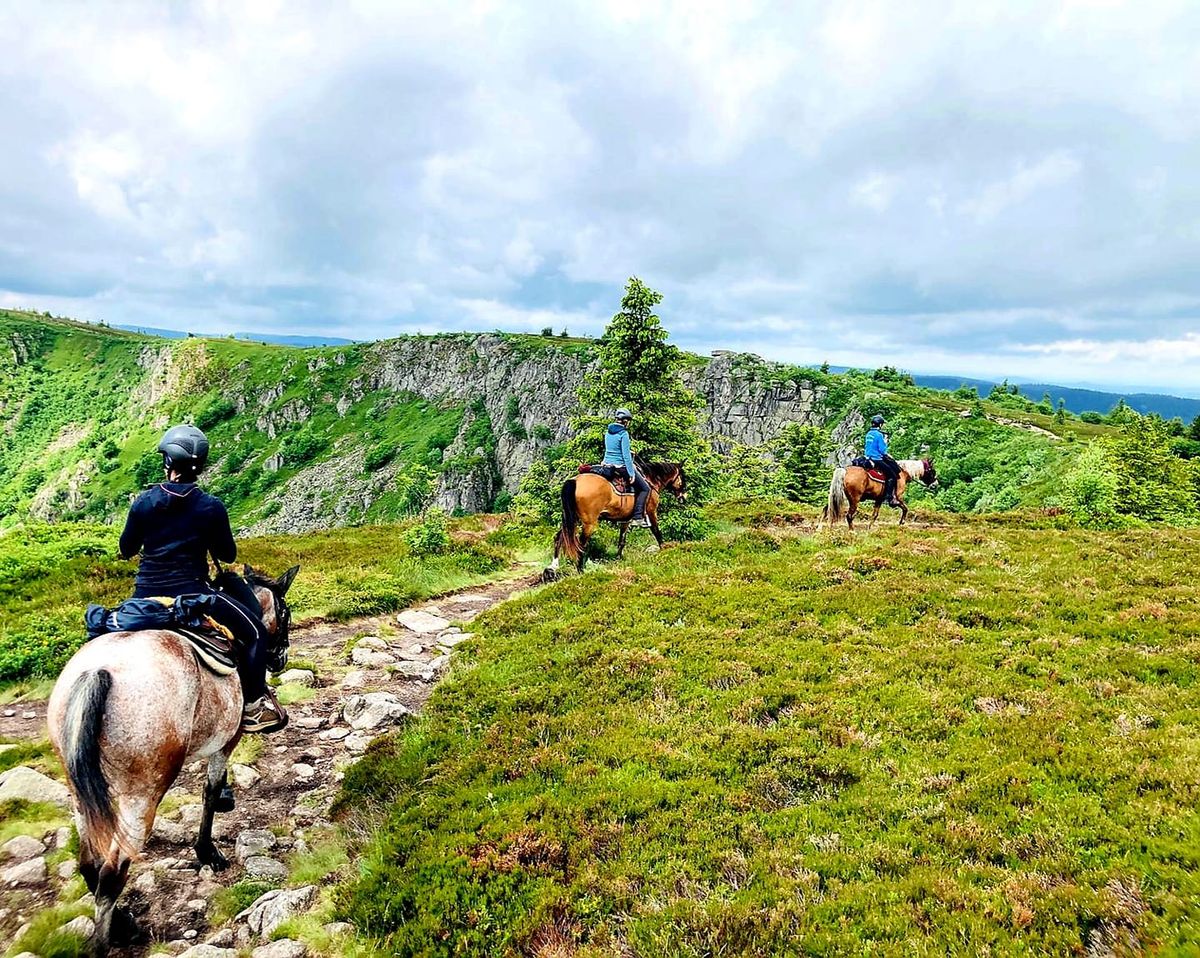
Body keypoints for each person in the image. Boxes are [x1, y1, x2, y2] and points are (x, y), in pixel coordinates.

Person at [118, 424, 287, 736]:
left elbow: (126, 548)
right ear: (201, 466)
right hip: (194, 595)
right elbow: (228, 553)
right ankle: (251, 707)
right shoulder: (210, 506)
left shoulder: (143, 502)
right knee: (256, 634)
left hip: (144, 597)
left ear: (167, 462)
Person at [602, 409, 651, 527]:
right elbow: (626, 457)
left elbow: (611, 449)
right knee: (645, 488)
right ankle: (638, 517)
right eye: (628, 421)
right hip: (620, 466)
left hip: (607, 464)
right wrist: (631, 474)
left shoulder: (609, 431)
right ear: (625, 421)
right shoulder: (623, 434)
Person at [864, 414, 902, 507]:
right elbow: (882, 450)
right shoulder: (879, 435)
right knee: (892, 475)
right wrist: (888, 455)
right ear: (880, 425)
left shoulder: (869, 434)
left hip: (867, 457)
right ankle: (888, 497)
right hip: (877, 458)